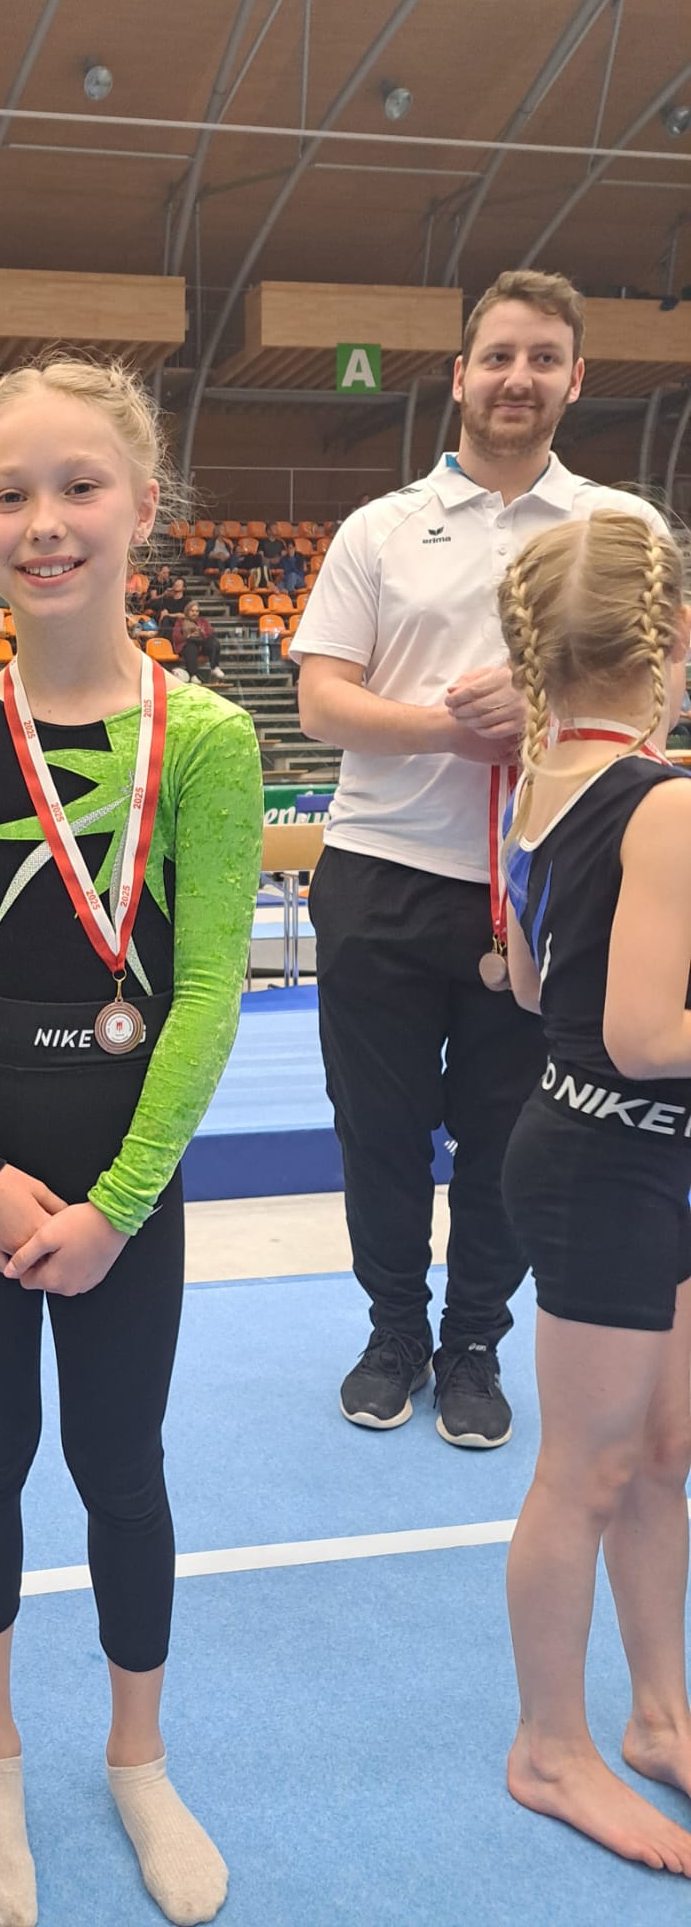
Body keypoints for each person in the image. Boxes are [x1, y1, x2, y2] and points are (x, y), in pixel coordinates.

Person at [0, 357, 261, 1927]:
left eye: (79, 487)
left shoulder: (207, 739)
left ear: (144, 506)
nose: (45, 521)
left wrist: (121, 1204)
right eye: (12, 494)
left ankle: (137, 1755)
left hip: (127, 1180)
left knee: (122, 1465)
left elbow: (207, 996)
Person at [292, 268, 672, 1447]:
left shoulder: (624, 530)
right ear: (460, 376)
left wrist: (547, 704)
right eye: (499, 356)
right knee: (379, 1129)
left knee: (511, 1129)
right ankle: (392, 1332)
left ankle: (473, 1344)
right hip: (384, 867)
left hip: (549, 877)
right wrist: (448, 729)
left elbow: (663, 687)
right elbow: (319, 700)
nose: (519, 377)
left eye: (543, 358)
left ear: (575, 379)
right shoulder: (380, 528)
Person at [497, 512, 691, 1875]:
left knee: (661, 1450)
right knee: (588, 1469)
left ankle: (661, 1713)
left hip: (625, 1153)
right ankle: (549, 1745)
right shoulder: (662, 800)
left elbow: (525, 984)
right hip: (609, 1160)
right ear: (669, 635)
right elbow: (640, 1033)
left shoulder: (538, 780)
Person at [174, 600, 217, 683]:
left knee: (213, 642)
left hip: (201, 644)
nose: (195, 613)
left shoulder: (202, 621)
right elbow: (176, 637)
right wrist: (188, 636)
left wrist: (202, 632)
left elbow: (210, 632)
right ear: (187, 611)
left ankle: (215, 668)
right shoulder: (180, 622)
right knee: (191, 647)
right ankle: (193, 675)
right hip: (186, 644)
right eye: (192, 611)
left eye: (197, 611)